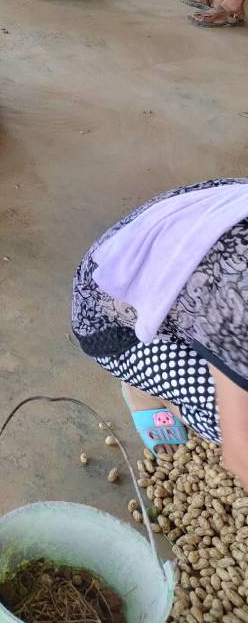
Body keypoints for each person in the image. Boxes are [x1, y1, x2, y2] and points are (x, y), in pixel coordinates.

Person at [72, 179, 248, 488]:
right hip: (114, 321)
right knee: (229, 421)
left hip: (179, 266)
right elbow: (242, 448)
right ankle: (143, 392)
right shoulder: (239, 296)